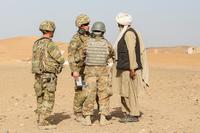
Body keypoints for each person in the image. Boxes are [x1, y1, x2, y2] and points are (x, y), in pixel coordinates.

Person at [114, 12, 149, 123]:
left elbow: (131, 51)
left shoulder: (129, 34)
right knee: (124, 92)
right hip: (124, 68)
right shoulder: (125, 33)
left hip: (129, 70)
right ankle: (128, 112)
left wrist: (133, 68)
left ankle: (134, 114)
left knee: (130, 93)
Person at [32, 20, 65, 128]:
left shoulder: (36, 43)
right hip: (49, 76)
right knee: (49, 97)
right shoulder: (50, 44)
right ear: (51, 30)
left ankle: (39, 118)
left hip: (38, 76)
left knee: (40, 96)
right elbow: (60, 59)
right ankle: (43, 121)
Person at [82, 21, 115, 126]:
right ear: (103, 31)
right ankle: (103, 118)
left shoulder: (87, 42)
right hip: (103, 73)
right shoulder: (107, 44)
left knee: (88, 94)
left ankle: (87, 118)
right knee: (103, 95)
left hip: (89, 73)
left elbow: (81, 56)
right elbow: (113, 56)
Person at [68, 14, 91, 122]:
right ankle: (78, 113)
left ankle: (88, 111)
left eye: (88, 24)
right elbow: (71, 56)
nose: (88, 26)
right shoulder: (75, 39)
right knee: (79, 90)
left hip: (89, 69)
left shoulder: (90, 36)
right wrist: (74, 71)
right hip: (79, 70)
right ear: (80, 26)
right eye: (86, 24)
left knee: (91, 90)